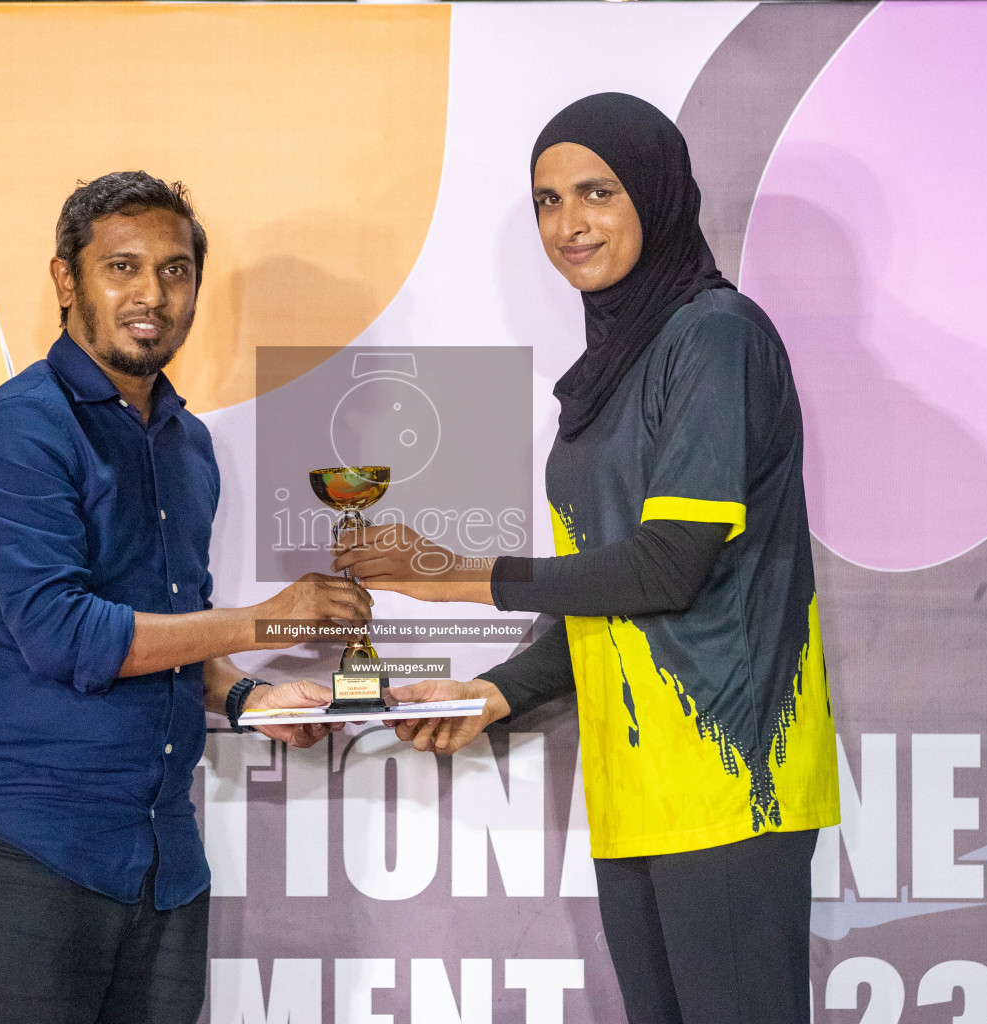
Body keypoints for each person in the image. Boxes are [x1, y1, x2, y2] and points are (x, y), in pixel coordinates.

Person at [335, 94, 840, 1024]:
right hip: (635, 782)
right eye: (546, 201)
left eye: (597, 192)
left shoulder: (714, 335)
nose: (568, 224)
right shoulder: (613, 365)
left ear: (657, 193)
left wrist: (451, 574)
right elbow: (606, 589)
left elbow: (668, 568)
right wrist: (499, 691)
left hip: (731, 777)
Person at [0, 171, 368, 1024]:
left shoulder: (188, 443)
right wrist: (273, 617)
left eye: (174, 271)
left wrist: (248, 694)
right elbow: (64, 635)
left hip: (163, 859)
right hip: (29, 848)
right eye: (121, 267)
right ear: (67, 280)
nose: (151, 295)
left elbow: (173, 632)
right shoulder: (21, 427)